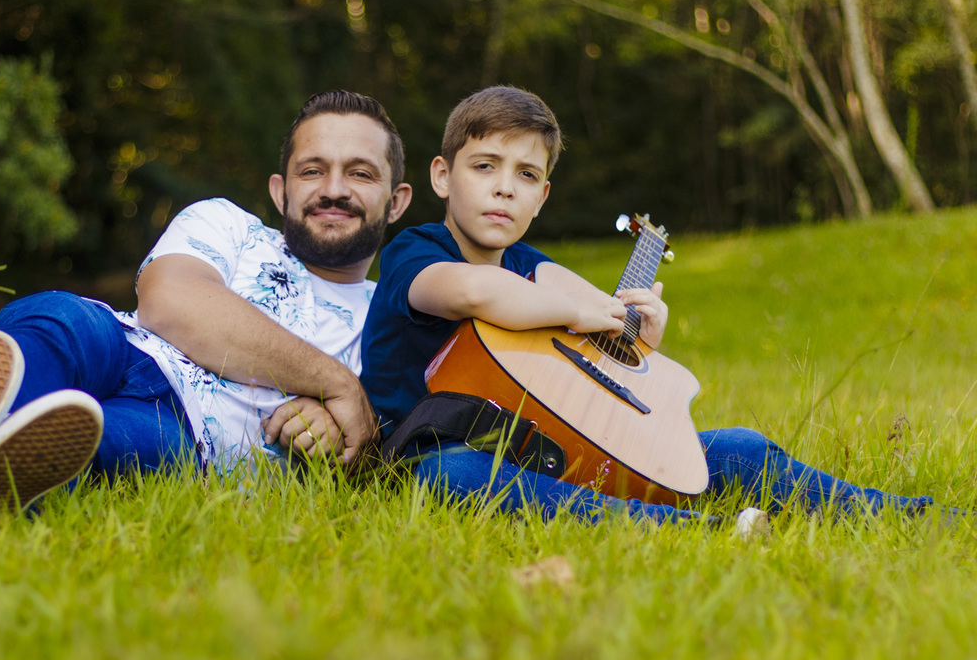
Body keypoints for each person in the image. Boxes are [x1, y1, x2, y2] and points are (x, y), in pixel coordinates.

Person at [360, 85, 937, 527]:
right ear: (443, 176)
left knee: (739, 446)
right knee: (455, 475)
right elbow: (473, 292)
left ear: (542, 197)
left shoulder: (536, 266)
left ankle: (907, 515)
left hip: (545, 444)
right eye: (485, 165)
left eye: (526, 174)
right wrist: (579, 312)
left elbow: (604, 329)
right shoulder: (414, 252)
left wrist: (637, 336)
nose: (505, 187)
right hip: (431, 449)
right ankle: (687, 527)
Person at [0, 90, 413, 517]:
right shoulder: (226, 223)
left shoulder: (397, 317)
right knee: (58, 321)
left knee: (83, 443)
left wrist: (337, 430)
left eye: (360, 174)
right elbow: (170, 302)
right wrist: (334, 383)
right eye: (313, 170)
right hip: (123, 346)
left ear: (397, 201)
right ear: (280, 191)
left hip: (189, 438)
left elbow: (377, 442)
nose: (334, 189)